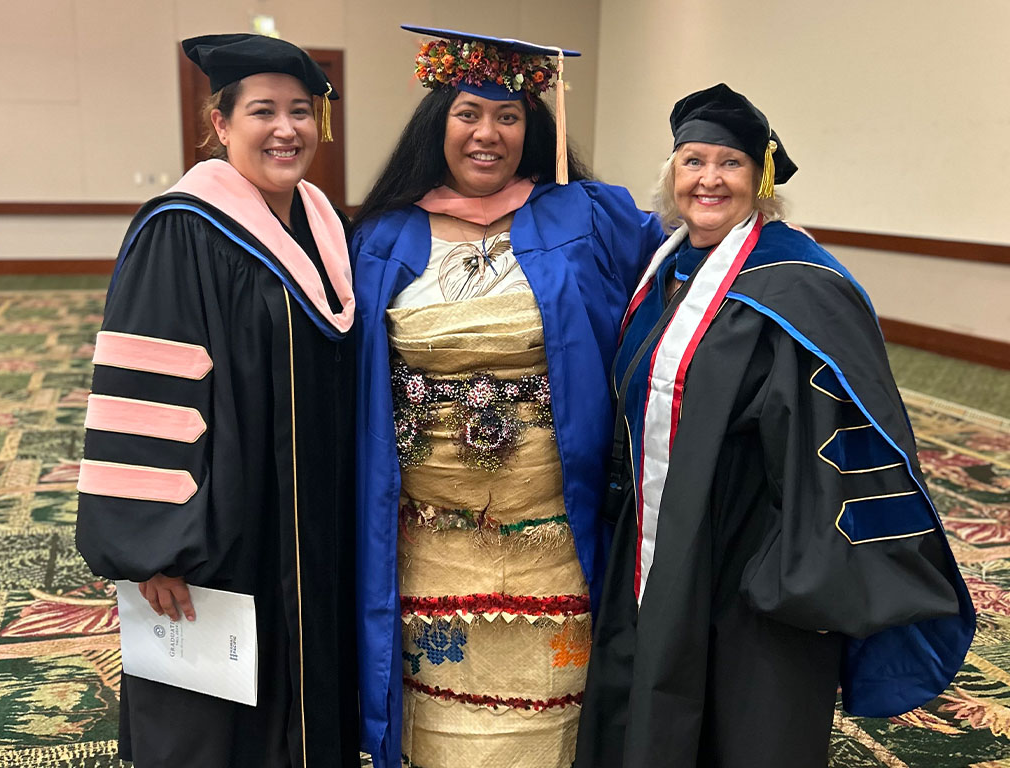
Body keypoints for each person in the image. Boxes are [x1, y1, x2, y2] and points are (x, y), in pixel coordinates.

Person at [574, 83, 976, 768]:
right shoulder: (669, 267)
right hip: (667, 526)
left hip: (751, 544)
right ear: (672, 175)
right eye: (692, 160)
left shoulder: (797, 282)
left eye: (729, 163)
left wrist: (804, 569)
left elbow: (840, 436)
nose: (708, 178)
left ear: (759, 178)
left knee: (748, 715)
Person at [351, 26, 664, 768]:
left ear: (534, 128)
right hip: (428, 541)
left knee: (552, 706)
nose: (487, 133)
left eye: (509, 116)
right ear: (439, 124)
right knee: (436, 712)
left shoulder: (587, 216)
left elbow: (680, 280)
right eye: (468, 114)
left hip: (553, 534)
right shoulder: (384, 233)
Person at [75, 33, 358, 768]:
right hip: (221, 530)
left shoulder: (323, 222)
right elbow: (146, 392)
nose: (287, 128)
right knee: (214, 719)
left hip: (307, 521)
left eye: (302, 111)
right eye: (262, 110)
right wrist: (155, 548)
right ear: (221, 123)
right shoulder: (181, 230)